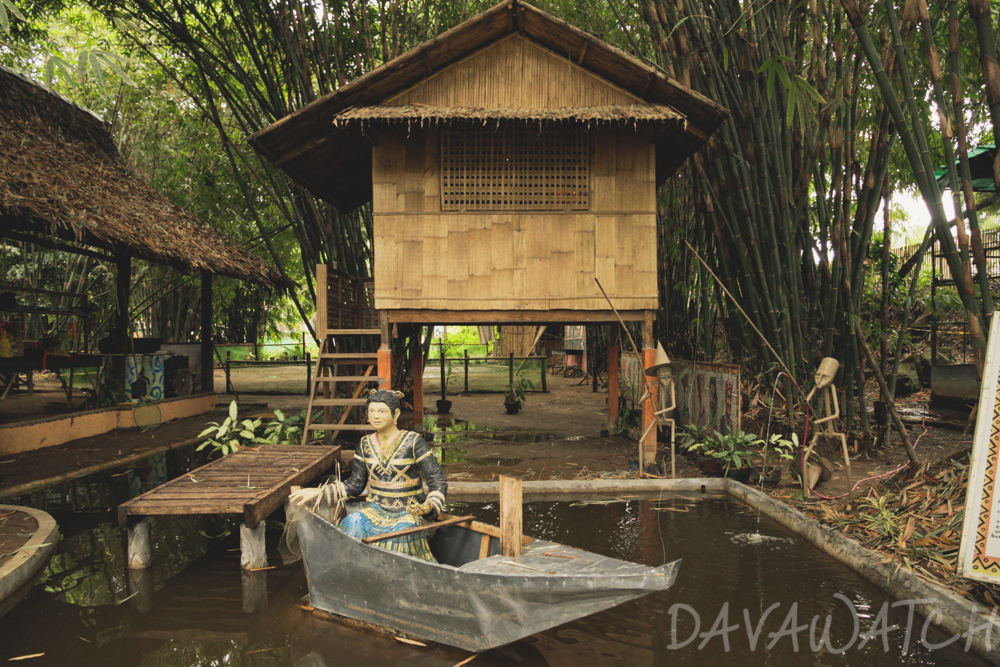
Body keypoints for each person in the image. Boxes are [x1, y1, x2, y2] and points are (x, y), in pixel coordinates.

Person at [336, 388, 447, 562]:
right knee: (353, 521)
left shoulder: (413, 441)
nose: (376, 416)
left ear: (396, 414)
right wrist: (320, 492)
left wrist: (429, 506)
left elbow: (437, 480)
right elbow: (355, 484)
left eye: (382, 411)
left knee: (402, 531)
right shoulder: (365, 444)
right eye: (371, 411)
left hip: (409, 511)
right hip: (377, 509)